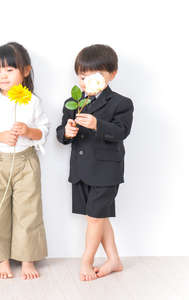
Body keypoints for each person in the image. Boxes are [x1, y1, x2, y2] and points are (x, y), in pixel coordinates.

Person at [56, 44, 134, 281]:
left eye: (94, 76)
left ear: (113, 74)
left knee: (95, 217)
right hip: (81, 170)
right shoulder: (73, 101)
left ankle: (86, 260)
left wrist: (97, 125)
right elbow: (61, 134)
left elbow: (121, 131)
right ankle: (114, 260)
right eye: (82, 76)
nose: (86, 80)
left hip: (106, 171)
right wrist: (67, 132)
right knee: (98, 216)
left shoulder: (121, 103)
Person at [0, 42, 49, 280]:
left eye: (9, 70)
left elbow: (43, 131)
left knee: (28, 211)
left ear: (25, 71)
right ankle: (1, 259)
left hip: (26, 162)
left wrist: (28, 131)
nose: (3, 75)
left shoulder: (33, 101)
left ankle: (27, 259)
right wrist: (1, 136)